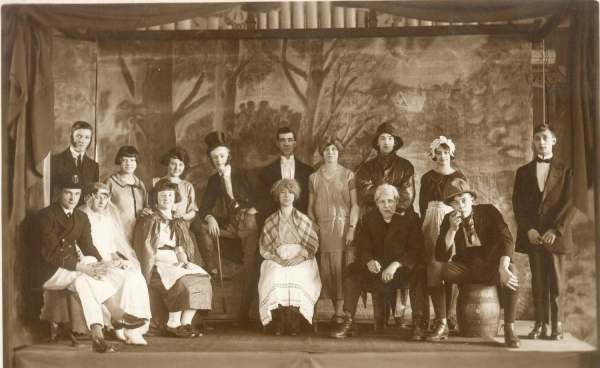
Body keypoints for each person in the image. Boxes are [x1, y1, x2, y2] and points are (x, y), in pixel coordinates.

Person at [35, 173, 147, 353]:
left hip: (71, 271)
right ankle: (117, 313)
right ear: (58, 194)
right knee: (84, 274)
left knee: (86, 280)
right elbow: (52, 253)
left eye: (76, 194)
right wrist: (84, 268)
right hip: (49, 271)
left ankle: (98, 337)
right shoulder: (46, 216)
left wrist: (100, 265)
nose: (72, 198)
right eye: (68, 193)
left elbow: (88, 247)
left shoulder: (80, 217)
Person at [426, 178, 521, 348]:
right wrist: (452, 231)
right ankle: (442, 324)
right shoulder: (449, 219)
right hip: (466, 267)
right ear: (451, 206)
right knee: (434, 268)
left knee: (512, 269)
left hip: (490, 266)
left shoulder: (489, 212)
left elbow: (506, 239)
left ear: (472, 200)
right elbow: (440, 256)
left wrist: (503, 267)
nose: (461, 206)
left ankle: (509, 329)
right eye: (455, 203)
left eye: (464, 200)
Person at [331, 184, 427, 341]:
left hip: (401, 272)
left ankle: (417, 323)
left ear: (397, 201)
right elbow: (362, 249)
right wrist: (369, 261)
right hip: (376, 272)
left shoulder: (410, 218)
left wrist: (396, 264)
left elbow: (417, 251)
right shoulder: (369, 219)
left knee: (420, 270)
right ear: (376, 203)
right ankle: (348, 320)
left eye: (390, 201)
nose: (387, 205)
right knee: (352, 270)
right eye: (382, 202)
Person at [512, 124, 576, 340]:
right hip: (535, 237)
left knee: (557, 283)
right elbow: (518, 204)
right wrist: (528, 228)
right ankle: (539, 324)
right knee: (538, 282)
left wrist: (556, 229)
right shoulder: (523, 172)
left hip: (556, 236)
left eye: (545, 138)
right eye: (537, 138)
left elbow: (571, 202)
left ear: (553, 141)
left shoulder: (566, 169)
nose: (541, 142)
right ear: (533, 141)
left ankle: (557, 325)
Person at [196, 131, 264, 328]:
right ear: (211, 159)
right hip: (232, 226)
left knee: (250, 267)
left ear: (228, 156)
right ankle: (211, 266)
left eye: (222, 156)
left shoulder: (244, 174)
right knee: (200, 226)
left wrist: (254, 209)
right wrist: (209, 218)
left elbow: (266, 197)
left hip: (250, 226)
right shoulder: (214, 180)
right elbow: (204, 207)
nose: (218, 160)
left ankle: (243, 315)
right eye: (214, 157)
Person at [355, 122, 416, 328]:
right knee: (376, 260)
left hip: (401, 220)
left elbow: (406, 197)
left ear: (396, 142)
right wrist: (389, 192)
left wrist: (382, 194)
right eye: (382, 138)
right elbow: (363, 193)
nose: (386, 142)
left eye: (390, 138)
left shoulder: (406, 166)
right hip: (374, 221)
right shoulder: (366, 167)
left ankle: (399, 316)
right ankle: (379, 315)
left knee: (401, 261)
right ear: (377, 142)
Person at [135, 179, 212, 338]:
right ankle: (173, 323)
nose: (166, 198)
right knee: (181, 281)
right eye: (162, 195)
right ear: (156, 197)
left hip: (175, 259)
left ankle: (186, 324)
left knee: (201, 278)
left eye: (170, 195)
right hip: (155, 262)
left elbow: (180, 248)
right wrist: (168, 263)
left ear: (175, 198)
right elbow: (146, 250)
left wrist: (183, 263)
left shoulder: (178, 221)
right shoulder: (148, 219)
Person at [80, 182, 151, 345]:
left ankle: (131, 330)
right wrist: (105, 262)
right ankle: (122, 327)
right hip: (91, 262)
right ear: (88, 198)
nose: (101, 201)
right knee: (125, 278)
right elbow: (81, 249)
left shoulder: (106, 221)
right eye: (97, 197)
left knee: (134, 275)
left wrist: (120, 260)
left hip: (108, 260)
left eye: (105, 198)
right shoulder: (81, 218)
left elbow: (111, 250)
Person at [307, 135, 359, 326]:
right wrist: (314, 226)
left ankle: (339, 314)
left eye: (334, 149)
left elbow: (355, 205)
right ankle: (313, 314)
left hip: (343, 227)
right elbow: (311, 206)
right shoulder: (313, 177)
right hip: (322, 228)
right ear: (322, 152)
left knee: (340, 269)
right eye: (327, 149)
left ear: (339, 152)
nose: (330, 152)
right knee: (324, 270)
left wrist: (352, 228)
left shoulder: (348, 175)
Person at [258, 179, 322, 335]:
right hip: (277, 257)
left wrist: (300, 258)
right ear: (277, 196)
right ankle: (279, 320)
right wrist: (277, 260)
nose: (287, 195)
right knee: (274, 275)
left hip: (301, 258)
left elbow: (312, 244)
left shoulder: (303, 219)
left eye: (290, 192)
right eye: (283, 192)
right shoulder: (270, 221)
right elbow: (265, 247)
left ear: (295, 196)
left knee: (297, 276)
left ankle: (293, 321)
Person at [148, 147, 217, 279]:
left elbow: (193, 211)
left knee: (183, 250)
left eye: (180, 165)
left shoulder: (187, 186)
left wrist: (183, 217)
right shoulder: (156, 182)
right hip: (161, 225)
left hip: (181, 224)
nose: (176, 167)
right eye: (173, 163)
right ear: (167, 163)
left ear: (184, 166)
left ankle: (194, 267)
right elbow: (150, 205)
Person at [419, 136, 465, 330]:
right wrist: (427, 224)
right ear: (433, 154)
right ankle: (436, 316)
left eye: (446, 153)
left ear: (451, 154)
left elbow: (463, 200)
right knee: (433, 266)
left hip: (451, 218)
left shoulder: (458, 175)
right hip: (431, 220)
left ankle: (450, 314)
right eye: (439, 153)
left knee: (449, 264)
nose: (443, 156)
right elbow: (422, 205)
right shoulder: (427, 177)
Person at [259, 126, 314, 215]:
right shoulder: (266, 171)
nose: (286, 144)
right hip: (276, 219)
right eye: (282, 140)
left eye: (289, 140)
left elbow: (309, 201)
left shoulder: (308, 171)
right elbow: (265, 199)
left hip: (302, 219)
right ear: (278, 144)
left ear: (294, 143)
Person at [104, 146, 147, 243]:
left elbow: (146, 206)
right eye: (125, 160)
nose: (129, 163)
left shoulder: (140, 185)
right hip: (117, 232)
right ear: (119, 161)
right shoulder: (110, 182)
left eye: (132, 160)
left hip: (139, 232)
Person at [51, 121, 99, 206]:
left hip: (83, 215)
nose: (82, 141)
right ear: (71, 135)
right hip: (59, 213)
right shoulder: (55, 161)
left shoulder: (93, 166)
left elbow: (93, 195)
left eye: (87, 137)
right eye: (79, 136)